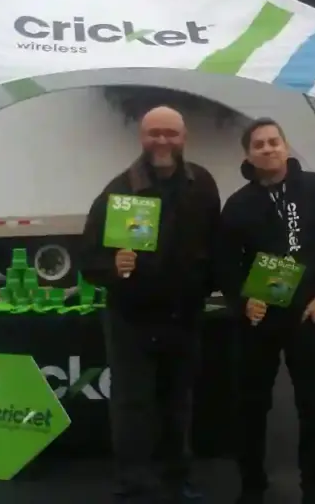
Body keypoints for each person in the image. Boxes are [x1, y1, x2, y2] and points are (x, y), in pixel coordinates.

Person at [81, 105, 222, 504]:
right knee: (132, 404)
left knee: (179, 401)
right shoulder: (118, 191)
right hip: (131, 318)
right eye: (154, 133)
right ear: (141, 138)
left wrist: (213, 287)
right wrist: (113, 266)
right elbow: (88, 258)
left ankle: (179, 478)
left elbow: (217, 243)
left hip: (184, 314)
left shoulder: (202, 184)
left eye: (170, 133)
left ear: (184, 137)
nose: (162, 140)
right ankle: (133, 482)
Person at [217, 118, 315, 504]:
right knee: (251, 405)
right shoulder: (239, 204)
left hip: (305, 315)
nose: (268, 148)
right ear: (248, 155)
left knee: (312, 404)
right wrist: (242, 301)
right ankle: (252, 486)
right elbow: (224, 262)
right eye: (259, 144)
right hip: (258, 318)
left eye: (274, 141)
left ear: (286, 146)